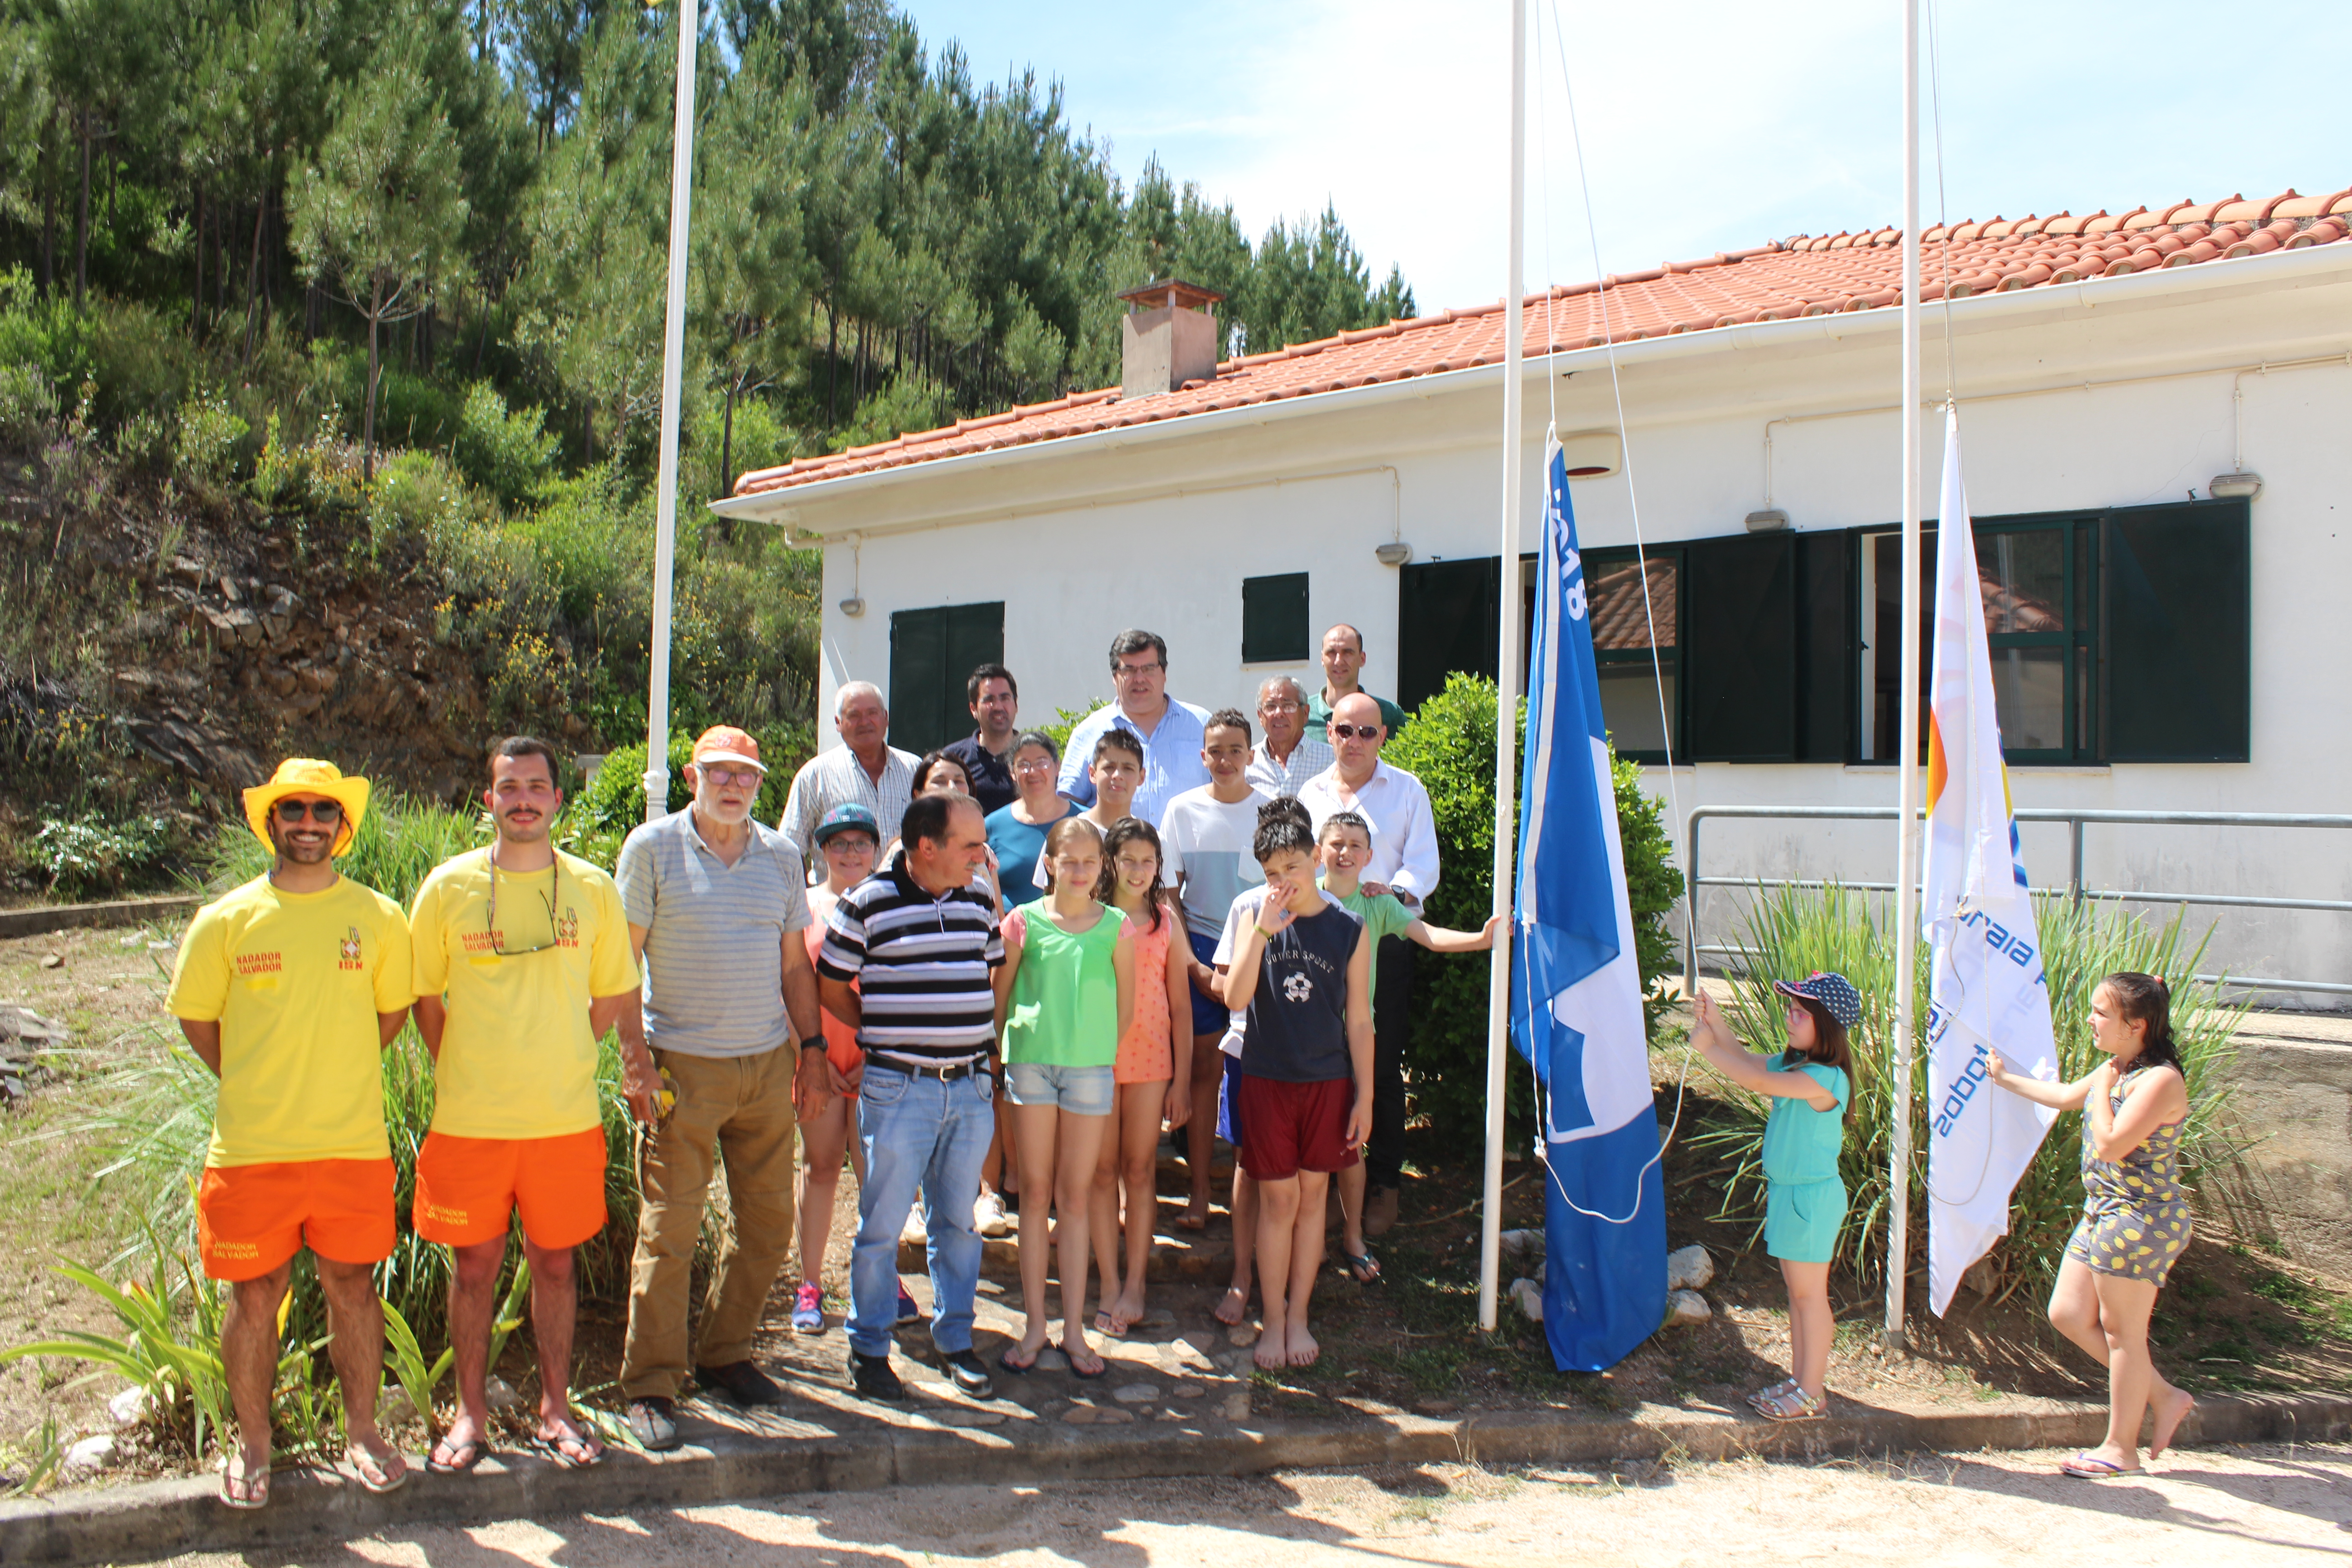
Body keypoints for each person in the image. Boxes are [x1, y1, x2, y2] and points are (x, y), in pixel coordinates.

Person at [167, 759, 414, 1509]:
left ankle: (364, 1432)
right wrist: (251, 1077)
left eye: (323, 811)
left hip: (351, 1150)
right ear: (271, 822)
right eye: (294, 810)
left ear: (343, 827)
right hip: (251, 1153)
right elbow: (197, 1019)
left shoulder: (378, 917)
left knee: (352, 1290)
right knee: (254, 1298)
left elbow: (390, 1016)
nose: (309, 822)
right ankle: (253, 1444)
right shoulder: (227, 919)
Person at [409, 736, 644, 1473]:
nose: (522, 799)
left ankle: (555, 1409)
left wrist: (573, 1042)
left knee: (554, 1265)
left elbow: (612, 991)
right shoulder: (446, 888)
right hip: (470, 1122)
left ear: (556, 800)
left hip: (562, 1119)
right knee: (473, 1267)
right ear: (489, 800)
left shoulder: (592, 887)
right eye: (508, 787)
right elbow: (423, 997)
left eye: (536, 786)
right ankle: (468, 1414)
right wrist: (463, 1061)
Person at [612, 725, 827, 1452]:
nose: (734, 786)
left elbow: (797, 967)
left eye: (747, 776)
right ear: (691, 774)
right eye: (719, 773)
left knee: (768, 1227)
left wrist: (815, 1052)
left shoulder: (781, 855)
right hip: (682, 1068)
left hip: (766, 1065)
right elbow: (622, 964)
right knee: (669, 1231)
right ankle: (649, 1384)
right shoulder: (652, 849)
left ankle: (725, 1354)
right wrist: (635, 1062)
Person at [816, 790, 1003, 1404]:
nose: (983, 854)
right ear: (928, 847)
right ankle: (869, 1348)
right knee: (883, 1227)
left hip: (970, 1089)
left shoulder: (978, 895)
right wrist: (879, 1028)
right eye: (971, 844)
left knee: (958, 1226)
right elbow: (831, 982)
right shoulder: (868, 902)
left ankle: (955, 1340)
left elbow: (991, 966)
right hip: (899, 1090)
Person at [1985, 971, 2197, 1478]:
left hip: (2141, 1218)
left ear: (2137, 1025)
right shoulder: (2118, 1070)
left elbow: (2111, 1143)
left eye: (2101, 1012)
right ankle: (2165, 1396)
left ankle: (2120, 1449)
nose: (2091, 1019)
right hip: (2104, 1212)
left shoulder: (2159, 1080)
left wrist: (2102, 1086)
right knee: (2067, 1313)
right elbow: (2062, 1097)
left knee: (2123, 1333)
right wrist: (2003, 1077)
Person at [1313, 810, 1504, 1282]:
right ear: (1319, 850)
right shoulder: (1304, 899)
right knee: (1315, 1140)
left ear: (1370, 858)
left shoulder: (1378, 905)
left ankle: (1352, 1234)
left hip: (1357, 1038)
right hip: (1309, 1039)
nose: (1345, 853)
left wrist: (1481, 940)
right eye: (1336, 843)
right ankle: (1312, 1232)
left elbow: (1429, 937)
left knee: (1353, 1142)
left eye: (1356, 846)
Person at [1215, 804, 1372, 1371]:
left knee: (1311, 1202)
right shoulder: (1255, 915)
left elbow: (1359, 1020)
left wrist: (1367, 1097)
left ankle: (1299, 1314)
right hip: (1265, 1079)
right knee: (1277, 1201)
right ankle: (1273, 1318)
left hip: (1327, 1082)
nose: (1284, 881)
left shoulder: (1349, 927)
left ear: (1314, 858)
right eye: (1272, 873)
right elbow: (1234, 999)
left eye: (1293, 866)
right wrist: (1261, 930)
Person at [993, 817, 1133, 1377]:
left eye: (1089, 862)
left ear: (1104, 867)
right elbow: (999, 997)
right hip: (1029, 1067)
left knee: (1075, 1200)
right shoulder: (1022, 922)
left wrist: (1092, 1049)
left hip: (1090, 1072)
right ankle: (1034, 1328)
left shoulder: (1118, 926)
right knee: (1035, 1194)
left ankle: (1074, 1331)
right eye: (1068, 860)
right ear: (1049, 863)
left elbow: (1124, 1009)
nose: (1079, 871)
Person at [1297, 692, 1441, 1237]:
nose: (1354, 741)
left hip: (1384, 941)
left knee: (1378, 1065)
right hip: (1321, 945)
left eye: (1367, 732)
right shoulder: (1310, 792)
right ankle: (1333, 1181)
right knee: (1326, 1062)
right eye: (1344, 731)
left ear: (1383, 736)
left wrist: (1395, 892)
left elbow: (1423, 861)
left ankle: (1384, 1183)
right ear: (1329, 734)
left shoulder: (1407, 789)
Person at [1686, 974, 1858, 1423]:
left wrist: (1706, 1048)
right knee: (1798, 1295)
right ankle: (1803, 1382)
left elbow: (1754, 1081)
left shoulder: (1824, 1078)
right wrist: (1718, 1023)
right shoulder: (1796, 1065)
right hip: (1792, 1194)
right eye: (1791, 1008)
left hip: (1810, 1200)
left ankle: (1811, 1392)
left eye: (1801, 1012)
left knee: (1810, 1298)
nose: (1790, 1017)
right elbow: (1748, 1060)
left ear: (1827, 1025)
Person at [1158, 710, 1270, 1232]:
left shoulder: (1272, 812)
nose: (1225, 760)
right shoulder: (1181, 811)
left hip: (1261, 949)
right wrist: (1194, 966)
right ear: (1202, 757)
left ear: (1251, 754)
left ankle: (1259, 1189)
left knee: (1259, 1073)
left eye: (1235, 750)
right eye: (1215, 751)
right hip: (1201, 949)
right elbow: (1167, 894)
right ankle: (1201, 1192)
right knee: (1204, 1071)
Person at [1089, 818, 1192, 1334]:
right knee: (1102, 1173)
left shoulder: (1165, 921)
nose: (1137, 869)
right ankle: (1109, 1283)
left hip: (1152, 1062)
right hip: (1096, 1060)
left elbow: (1181, 1003)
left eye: (1147, 861)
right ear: (1110, 862)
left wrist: (1182, 1080)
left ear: (1159, 867)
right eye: (1127, 859)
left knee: (1140, 1169)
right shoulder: (1093, 917)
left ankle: (1136, 1284)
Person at [794, 804, 882, 1335]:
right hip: (818, 1056)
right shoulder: (801, 907)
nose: (850, 853)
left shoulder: (890, 904)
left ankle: (881, 1277)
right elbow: (790, 985)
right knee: (821, 1166)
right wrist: (814, 1059)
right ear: (822, 850)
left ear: (876, 848)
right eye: (839, 843)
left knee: (878, 1174)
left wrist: (875, 1055)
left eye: (860, 843)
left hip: (878, 1057)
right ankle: (809, 1284)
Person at [1057, 629, 1210, 827]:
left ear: (1164, 673)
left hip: (1189, 856)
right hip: (1113, 854)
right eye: (1128, 670)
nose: (1139, 679)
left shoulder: (1201, 724)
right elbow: (1068, 806)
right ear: (1114, 677)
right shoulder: (1088, 733)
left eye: (1148, 669)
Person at [779, 681, 920, 867]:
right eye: (854, 715)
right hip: (841, 895)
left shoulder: (914, 769)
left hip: (904, 894)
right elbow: (788, 851)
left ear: (885, 718)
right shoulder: (815, 776)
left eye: (872, 713)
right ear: (838, 723)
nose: (865, 722)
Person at [985, 731, 1078, 911]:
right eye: (1023, 765)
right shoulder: (991, 826)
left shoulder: (1083, 821)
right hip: (1011, 935)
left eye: (1042, 762)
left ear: (1057, 767)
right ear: (1012, 772)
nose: (1033, 772)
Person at [943, 663, 1022, 815]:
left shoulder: (1031, 757)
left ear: (1016, 705)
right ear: (973, 709)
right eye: (989, 700)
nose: (998, 706)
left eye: (1005, 698)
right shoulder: (954, 759)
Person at [1303, 623, 1409, 734]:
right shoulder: (1302, 714)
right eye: (1331, 653)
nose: (1339, 661)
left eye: (1347, 653)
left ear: (1362, 659)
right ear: (1322, 659)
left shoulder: (1388, 714)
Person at [1246, 675, 1335, 798]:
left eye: (1288, 706)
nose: (1279, 714)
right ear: (1260, 717)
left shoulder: (1332, 761)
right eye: (1271, 707)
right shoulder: (1246, 763)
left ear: (1305, 713)